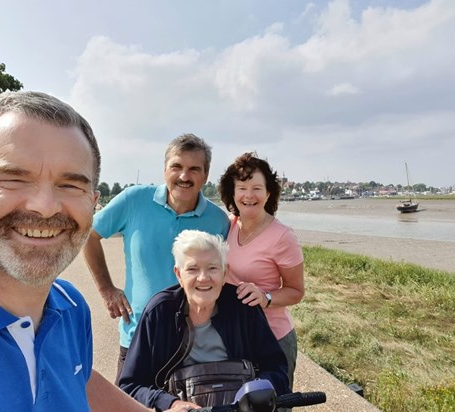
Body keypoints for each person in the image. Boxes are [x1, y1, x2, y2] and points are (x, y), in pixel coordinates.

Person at [0, 90, 176, 411]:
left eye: (70, 185)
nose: (45, 207)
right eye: (13, 178)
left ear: (93, 206)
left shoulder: (69, 305)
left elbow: (74, 378)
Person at [82, 134, 230, 383]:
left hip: (194, 344)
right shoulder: (134, 200)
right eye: (177, 167)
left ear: (205, 176)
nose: (184, 176)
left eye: (194, 169)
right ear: (164, 170)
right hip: (137, 337)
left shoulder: (219, 222)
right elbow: (89, 234)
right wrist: (106, 288)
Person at [119, 230, 289, 411]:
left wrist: (259, 392)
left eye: (212, 268)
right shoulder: (159, 312)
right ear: (178, 274)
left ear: (225, 273)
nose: (203, 278)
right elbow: (130, 385)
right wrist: (170, 403)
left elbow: (276, 368)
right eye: (192, 269)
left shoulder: (244, 307)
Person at [218, 152, 305, 391]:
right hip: (234, 336)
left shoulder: (283, 236)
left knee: (272, 404)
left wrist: (265, 297)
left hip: (273, 339)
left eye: (257, 188)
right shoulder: (230, 225)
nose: (249, 195)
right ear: (232, 193)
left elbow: (296, 291)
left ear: (268, 193)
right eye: (242, 188)